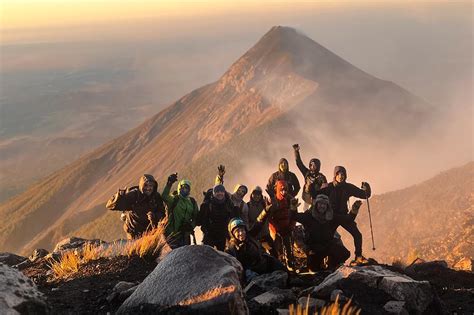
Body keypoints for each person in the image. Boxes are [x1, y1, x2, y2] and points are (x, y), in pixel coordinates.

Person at [313, 166, 371, 265]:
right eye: (338, 174)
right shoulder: (329, 187)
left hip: (343, 216)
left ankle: (358, 256)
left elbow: (364, 195)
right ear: (335, 175)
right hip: (332, 216)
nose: (341, 176)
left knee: (357, 235)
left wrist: (367, 188)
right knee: (327, 238)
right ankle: (325, 260)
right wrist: (313, 185)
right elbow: (314, 194)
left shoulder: (348, 187)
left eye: (343, 174)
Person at [294, 194, 350, 271]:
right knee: (313, 268)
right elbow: (294, 216)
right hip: (314, 248)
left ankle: (332, 265)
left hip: (327, 245)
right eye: (320, 203)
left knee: (344, 253)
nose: (322, 206)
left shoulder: (331, 217)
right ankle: (317, 265)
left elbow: (347, 219)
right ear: (316, 204)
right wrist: (293, 208)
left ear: (327, 206)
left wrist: (354, 211)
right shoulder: (308, 216)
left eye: (324, 204)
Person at [106, 174, 165, 239]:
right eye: (145, 185)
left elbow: (162, 212)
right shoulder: (134, 195)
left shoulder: (156, 197)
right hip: (133, 233)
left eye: (151, 186)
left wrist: (154, 216)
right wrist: (119, 197)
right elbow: (110, 206)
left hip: (150, 232)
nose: (148, 188)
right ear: (141, 185)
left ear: (154, 186)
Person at [258, 180, 299, 270]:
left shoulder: (291, 200)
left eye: (285, 190)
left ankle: (289, 263)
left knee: (289, 246)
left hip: (288, 227)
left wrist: (291, 226)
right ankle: (279, 264)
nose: (284, 192)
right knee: (277, 247)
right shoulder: (273, 201)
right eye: (281, 190)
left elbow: (294, 215)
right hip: (276, 228)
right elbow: (270, 218)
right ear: (278, 190)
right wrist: (276, 229)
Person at [162, 173, 199, 249]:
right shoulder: (174, 199)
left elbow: (197, 217)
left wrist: (190, 226)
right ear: (179, 188)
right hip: (172, 234)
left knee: (184, 255)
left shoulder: (192, 202)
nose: (185, 190)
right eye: (183, 188)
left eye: (187, 188)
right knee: (176, 255)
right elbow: (164, 196)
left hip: (185, 235)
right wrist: (169, 184)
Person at [197, 184, 238, 251]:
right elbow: (201, 220)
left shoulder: (228, 204)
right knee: (206, 255)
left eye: (221, 191)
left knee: (222, 255)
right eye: (217, 192)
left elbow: (232, 219)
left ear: (224, 193)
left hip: (222, 235)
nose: (219, 193)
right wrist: (205, 230)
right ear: (213, 193)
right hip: (209, 235)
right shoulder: (207, 205)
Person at [293, 144, 327, 209]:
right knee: (305, 212)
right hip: (306, 198)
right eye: (311, 165)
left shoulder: (322, 177)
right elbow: (299, 163)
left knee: (315, 213)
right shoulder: (307, 173)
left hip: (317, 200)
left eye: (315, 165)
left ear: (318, 166)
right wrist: (296, 151)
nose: (313, 167)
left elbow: (325, 190)